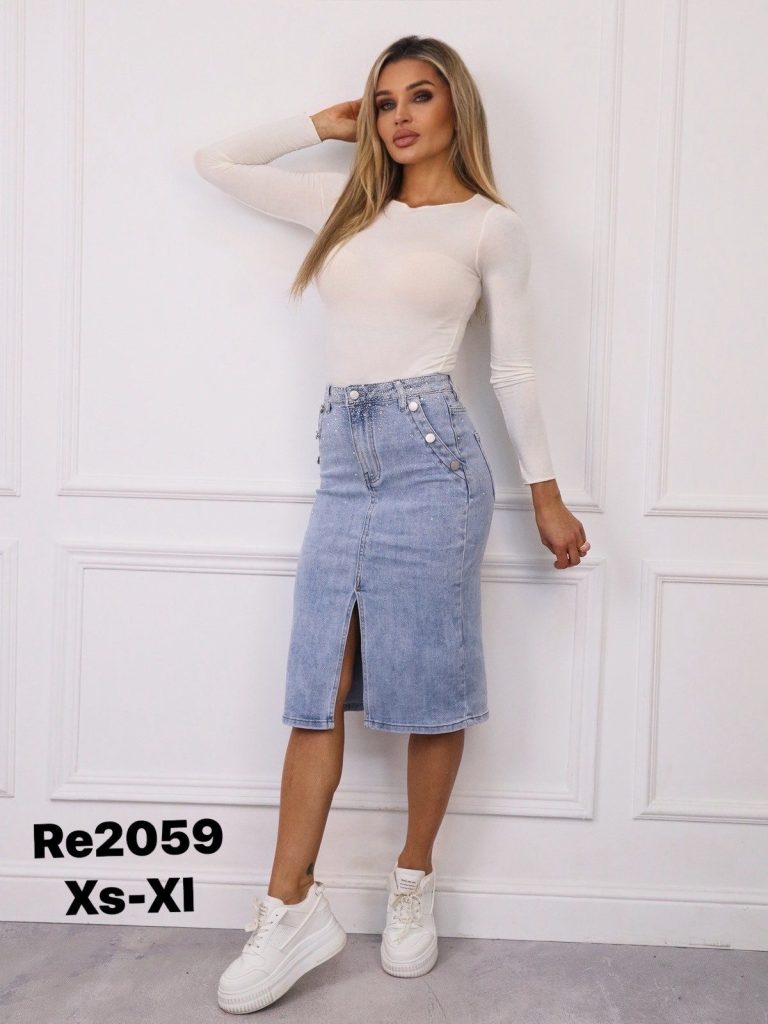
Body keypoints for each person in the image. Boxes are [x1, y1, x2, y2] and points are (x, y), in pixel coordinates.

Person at [194, 33, 589, 1015]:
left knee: (429, 685)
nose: (400, 116)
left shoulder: (491, 227)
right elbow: (216, 161)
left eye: (420, 95)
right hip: (344, 465)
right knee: (315, 686)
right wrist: (321, 125)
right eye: (383, 101)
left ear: (457, 107)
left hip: (434, 462)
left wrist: (546, 492)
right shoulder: (345, 207)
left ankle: (413, 878)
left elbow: (513, 367)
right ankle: (290, 905)